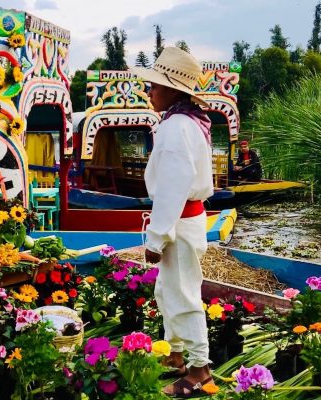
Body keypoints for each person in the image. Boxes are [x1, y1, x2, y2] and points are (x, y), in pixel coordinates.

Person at [129, 47, 215, 397]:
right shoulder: (185, 122)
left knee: (182, 295)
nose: (150, 92)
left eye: (155, 86)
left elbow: (172, 189)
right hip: (185, 220)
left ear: (173, 91)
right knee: (169, 291)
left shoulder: (177, 127)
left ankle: (200, 370)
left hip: (178, 222)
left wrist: (155, 238)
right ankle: (176, 355)